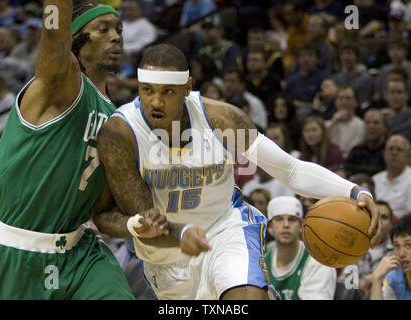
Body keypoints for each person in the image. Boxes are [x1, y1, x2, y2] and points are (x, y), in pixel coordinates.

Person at [94, 43, 382, 300]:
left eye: (167, 92)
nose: (155, 102)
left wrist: (354, 191)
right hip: (167, 254)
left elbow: (290, 170)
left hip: (224, 228)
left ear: (187, 88)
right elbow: (104, 215)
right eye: (148, 91)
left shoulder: (221, 119)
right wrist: (138, 226)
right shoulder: (121, 133)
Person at [0, 1, 166, 300]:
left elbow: (102, 211)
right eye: (103, 29)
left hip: (81, 253)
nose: (116, 36)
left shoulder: (116, 116)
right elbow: (54, 35)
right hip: (19, 251)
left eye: (119, 29)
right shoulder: (59, 85)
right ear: (76, 39)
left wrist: (136, 224)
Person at [265, 196, 337, 300]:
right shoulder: (263, 263)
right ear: (269, 227)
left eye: (292, 219)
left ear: (301, 225)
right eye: (279, 219)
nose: (286, 225)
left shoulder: (319, 261)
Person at [370, 213, 411, 299]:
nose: (401, 254)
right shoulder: (394, 279)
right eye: (397, 246)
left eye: (408, 245)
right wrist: (376, 279)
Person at [373, 134, 411, 218]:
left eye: (399, 149)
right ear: (384, 153)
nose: (394, 153)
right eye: (390, 149)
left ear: (408, 156)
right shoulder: (375, 179)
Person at [344, 108, 387, 177]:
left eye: (376, 123)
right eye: (367, 123)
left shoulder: (389, 151)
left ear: (384, 127)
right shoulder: (356, 150)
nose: (371, 126)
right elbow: (347, 172)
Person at [326, 84, 365, 158]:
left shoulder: (361, 125)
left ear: (356, 102)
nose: (344, 101)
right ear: (335, 102)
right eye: (340, 98)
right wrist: (333, 122)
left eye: (348, 98)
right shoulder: (327, 124)